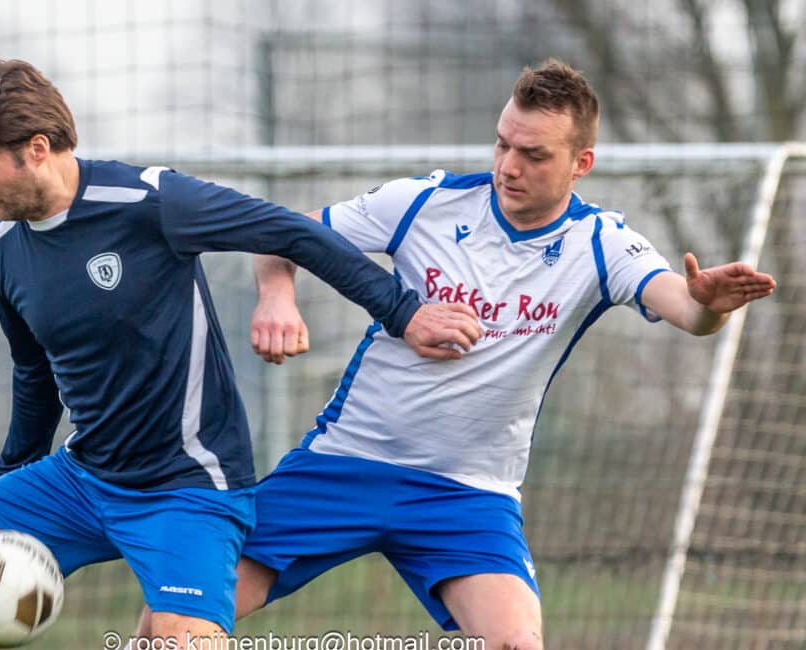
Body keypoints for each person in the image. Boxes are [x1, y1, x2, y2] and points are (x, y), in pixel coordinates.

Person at [129, 59, 777, 649]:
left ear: (582, 163)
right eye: (502, 145)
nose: (508, 166)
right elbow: (279, 235)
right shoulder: (425, 204)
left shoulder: (601, 243)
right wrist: (277, 297)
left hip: (466, 495)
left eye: (533, 154)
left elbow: (686, 310)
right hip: (344, 467)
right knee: (175, 620)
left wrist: (711, 303)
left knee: (518, 644)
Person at [0, 55, 482, 650]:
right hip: (82, 478)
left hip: (189, 489)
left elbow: (289, 231)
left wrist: (404, 312)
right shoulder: (2, 247)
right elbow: (34, 373)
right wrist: (14, 471)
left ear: (36, 149)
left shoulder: (150, 201)